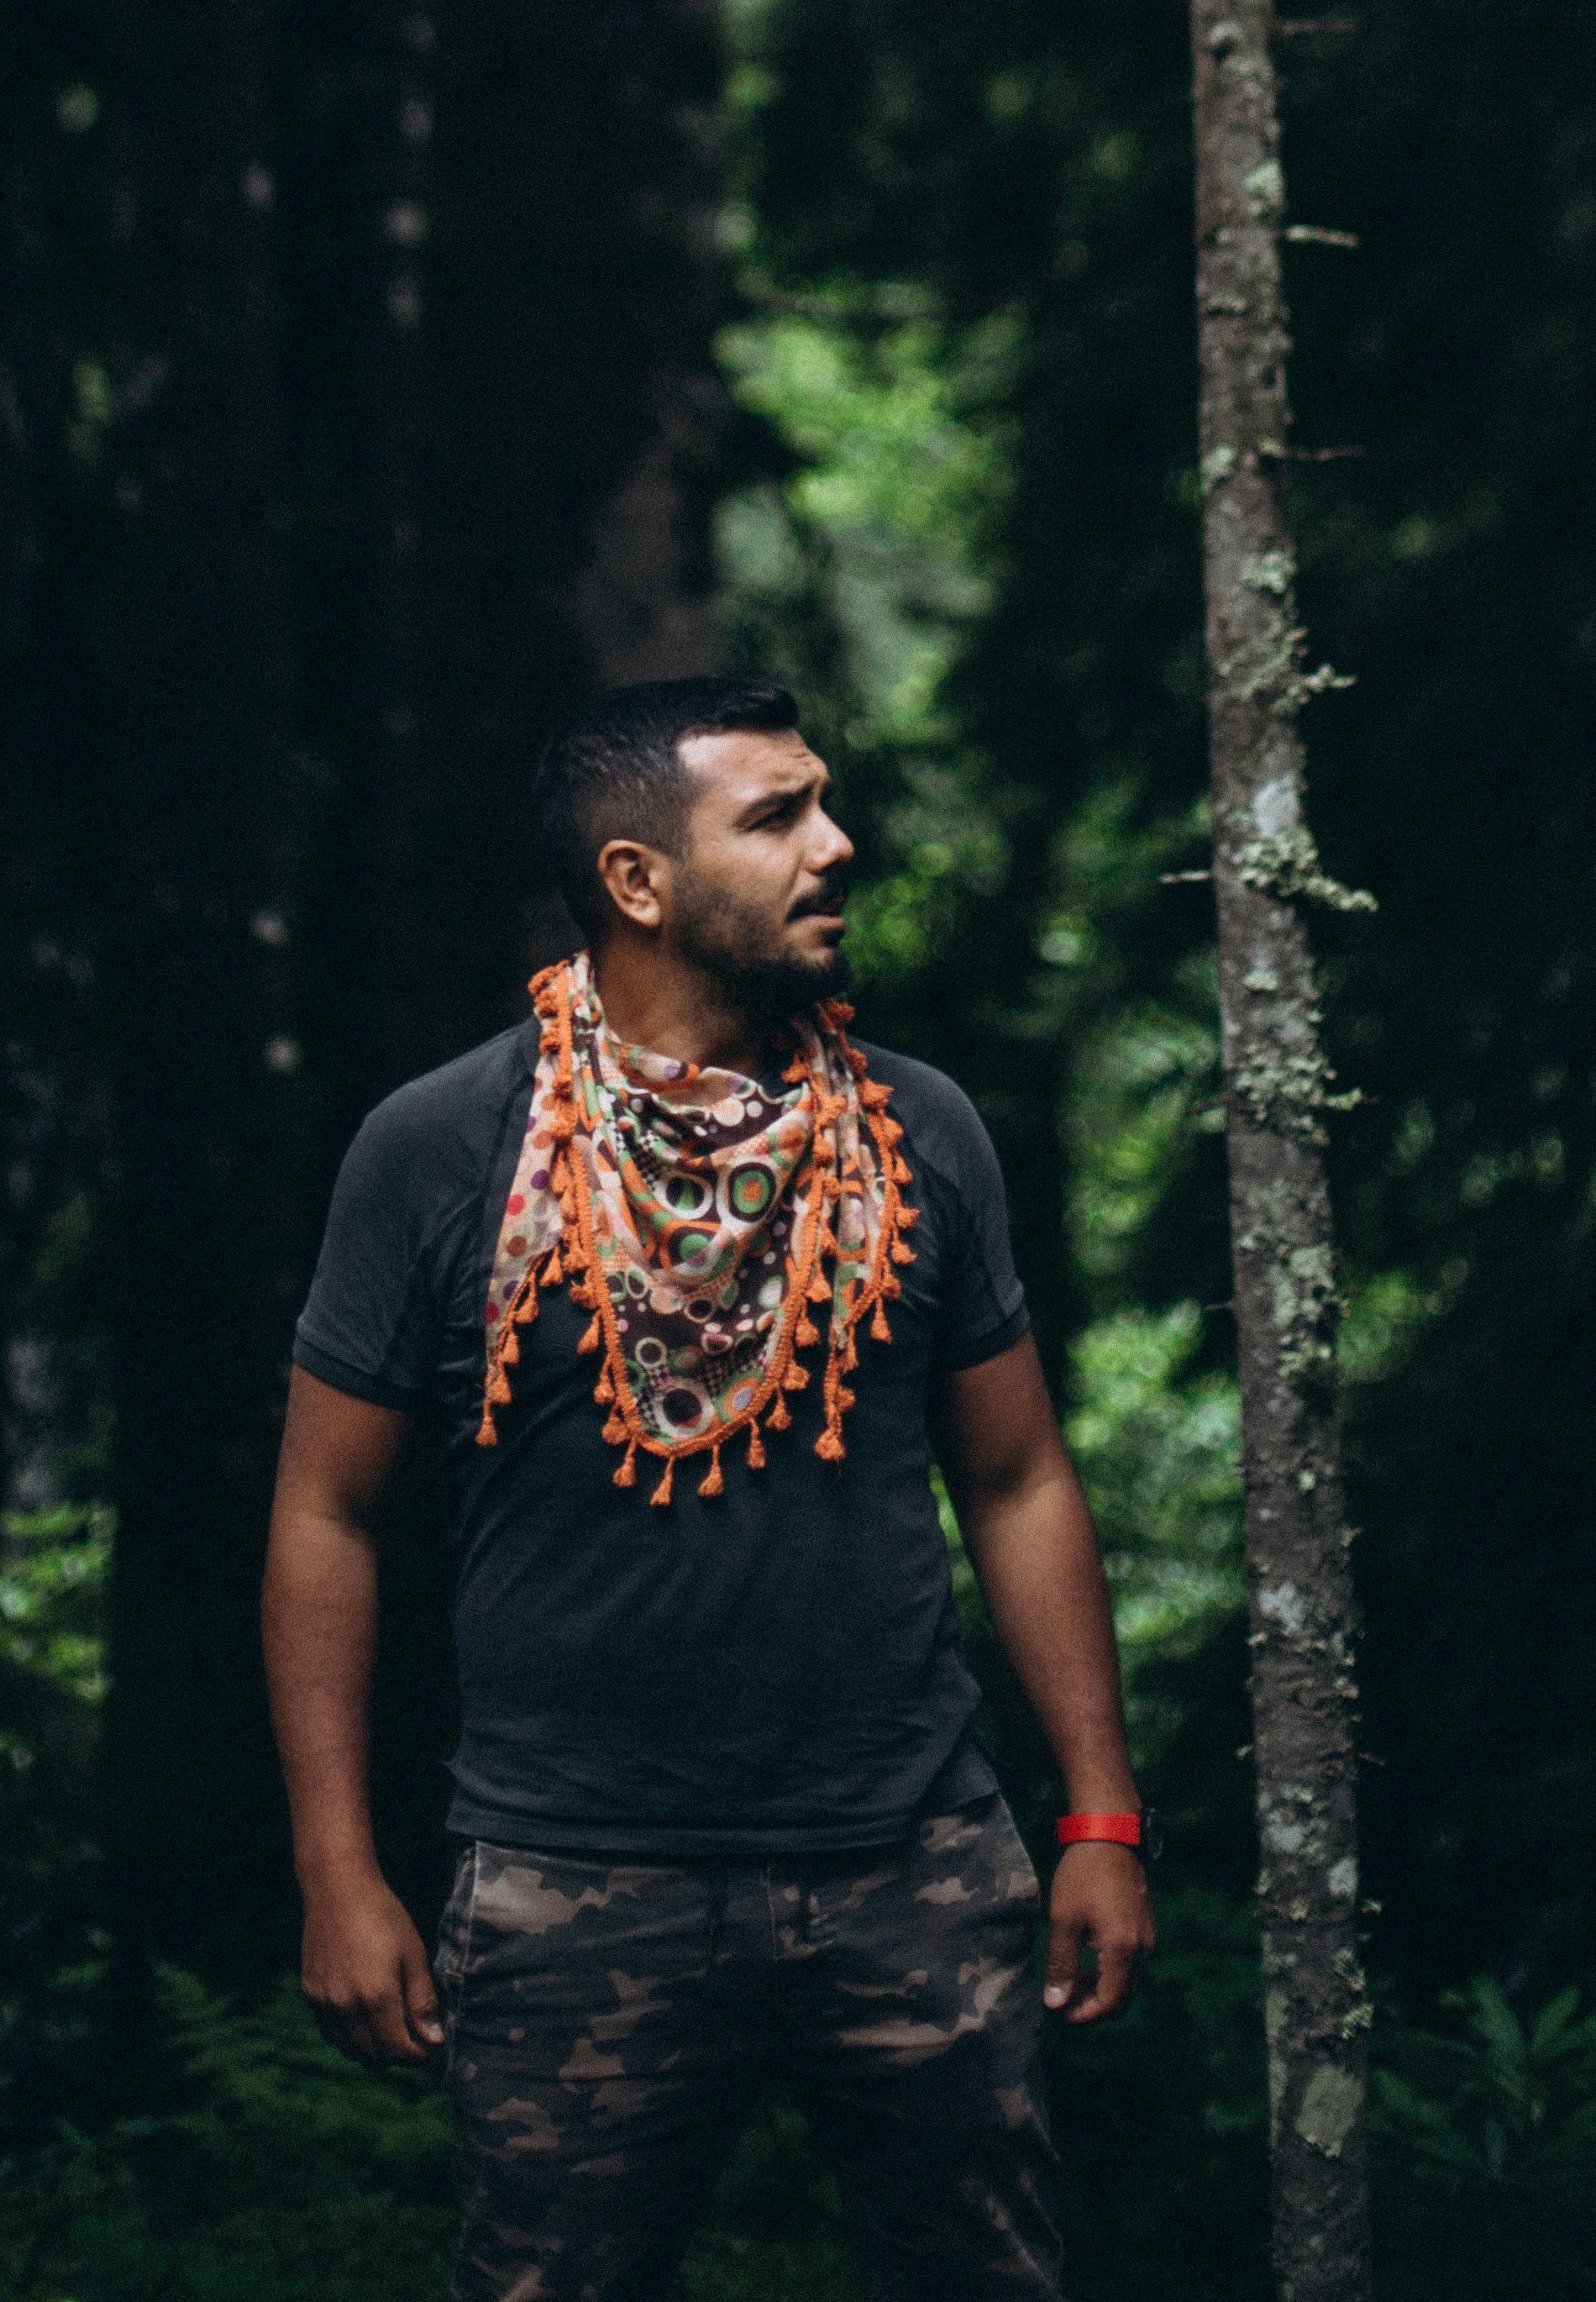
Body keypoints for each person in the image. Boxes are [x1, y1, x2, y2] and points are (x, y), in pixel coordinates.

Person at [262, 680, 1155, 2302]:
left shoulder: (922, 1134)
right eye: (777, 816)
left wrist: (1098, 1814)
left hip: (914, 1863)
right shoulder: (440, 1149)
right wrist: (338, 1869)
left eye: (824, 801)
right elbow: (326, 1513)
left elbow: (1018, 1478)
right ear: (636, 881)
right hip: (570, 1885)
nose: (839, 844)